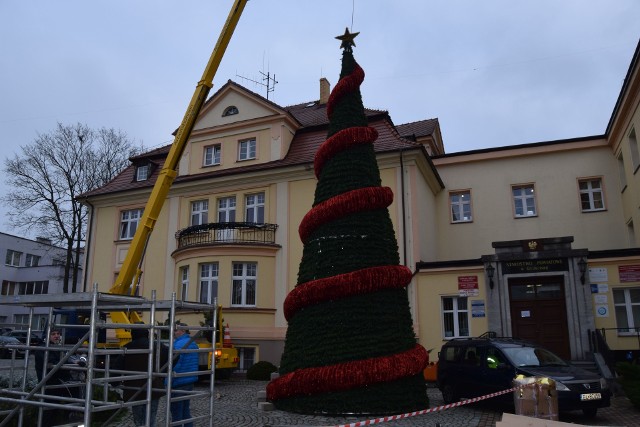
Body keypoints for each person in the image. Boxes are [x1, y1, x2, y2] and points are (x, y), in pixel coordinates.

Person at [115, 325, 168, 427]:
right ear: (147, 333)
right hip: (154, 387)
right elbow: (174, 357)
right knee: (151, 418)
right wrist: (162, 373)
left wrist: (114, 383)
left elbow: (117, 367)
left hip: (135, 388)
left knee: (139, 420)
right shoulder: (158, 346)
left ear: (133, 334)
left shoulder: (127, 348)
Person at [34, 328, 79, 426]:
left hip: (58, 382)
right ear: (47, 336)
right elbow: (52, 363)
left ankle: (68, 418)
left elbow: (64, 361)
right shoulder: (43, 348)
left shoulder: (57, 347)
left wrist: (73, 363)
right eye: (53, 334)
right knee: (48, 410)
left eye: (58, 333)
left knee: (57, 407)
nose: (56, 336)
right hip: (48, 382)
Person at [168, 323, 199, 427]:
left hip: (178, 381)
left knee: (176, 413)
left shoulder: (178, 344)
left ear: (183, 331)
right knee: (185, 411)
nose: (174, 332)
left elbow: (175, 364)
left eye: (176, 330)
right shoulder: (193, 343)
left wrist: (168, 381)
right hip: (189, 380)